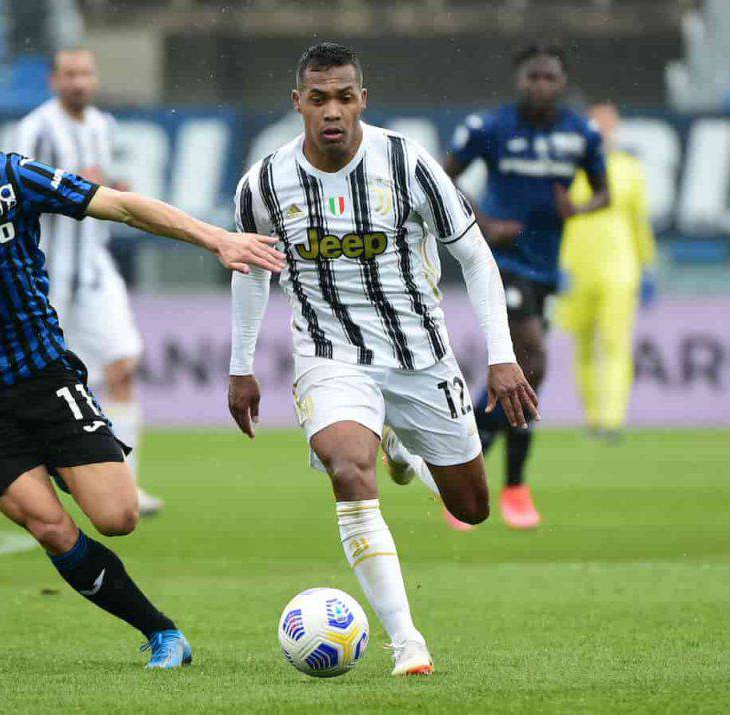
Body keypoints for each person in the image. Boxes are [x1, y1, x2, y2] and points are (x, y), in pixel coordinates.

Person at [0, 71, 283, 669]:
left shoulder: (10, 176)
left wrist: (214, 237)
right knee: (51, 527)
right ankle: (162, 633)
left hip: (43, 375)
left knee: (118, 517)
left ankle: (62, 464)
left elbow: (120, 205)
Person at [227, 42, 538, 676]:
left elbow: (475, 257)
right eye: (319, 99)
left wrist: (501, 359)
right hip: (329, 354)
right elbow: (251, 273)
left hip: (420, 357)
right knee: (347, 468)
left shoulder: (408, 163)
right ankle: (407, 642)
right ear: (298, 104)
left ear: (362, 99)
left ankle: (399, 444)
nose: (332, 111)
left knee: (470, 509)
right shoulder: (263, 183)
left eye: (344, 97)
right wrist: (241, 364)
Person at [444, 44, 609, 530]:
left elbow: (604, 193)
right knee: (533, 359)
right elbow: (441, 176)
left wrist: (581, 208)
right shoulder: (491, 128)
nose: (541, 85)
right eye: (533, 76)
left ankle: (475, 469)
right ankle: (505, 485)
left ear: (563, 82)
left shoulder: (580, 133)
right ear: (520, 80)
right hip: (500, 262)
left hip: (545, 268)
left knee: (522, 380)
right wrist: (485, 221)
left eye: (550, 77)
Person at [13, 48, 164, 517]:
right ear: (54, 79)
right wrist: (73, 185)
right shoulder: (35, 129)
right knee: (41, 381)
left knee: (122, 366)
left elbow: (107, 186)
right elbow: (14, 195)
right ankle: (28, 477)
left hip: (94, 271)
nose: (79, 82)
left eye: (86, 73)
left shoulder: (103, 126)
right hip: (47, 274)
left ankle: (127, 486)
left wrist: (118, 186)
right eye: (70, 74)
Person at [558, 103, 657, 440]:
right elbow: (558, 220)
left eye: (608, 126)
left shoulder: (629, 169)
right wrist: (557, 264)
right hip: (577, 267)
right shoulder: (569, 170)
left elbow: (638, 222)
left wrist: (648, 266)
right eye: (596, 126)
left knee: (614, 344)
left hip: (620, 268)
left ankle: (611, 421)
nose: (602, 132)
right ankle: (593, 417)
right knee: (583, 344)